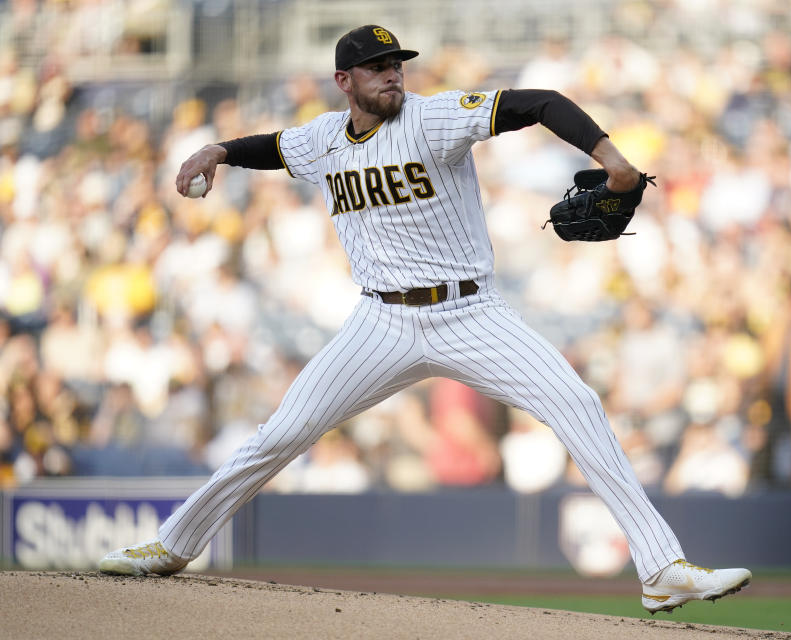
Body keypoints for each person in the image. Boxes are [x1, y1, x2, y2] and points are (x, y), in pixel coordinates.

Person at [98, 25, 751, 614]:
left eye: (397, 64)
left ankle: (661, 567)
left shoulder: (434, 118)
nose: (392, 75)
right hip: (379, 324)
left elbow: (540, 102)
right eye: (377, 66)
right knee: (280, 434)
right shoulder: (324, 138)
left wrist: (610, 156)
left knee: (577, 402)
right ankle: (174, 542)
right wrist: (216, 148)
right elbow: (272, 147)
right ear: (344, 81)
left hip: (470, 313)